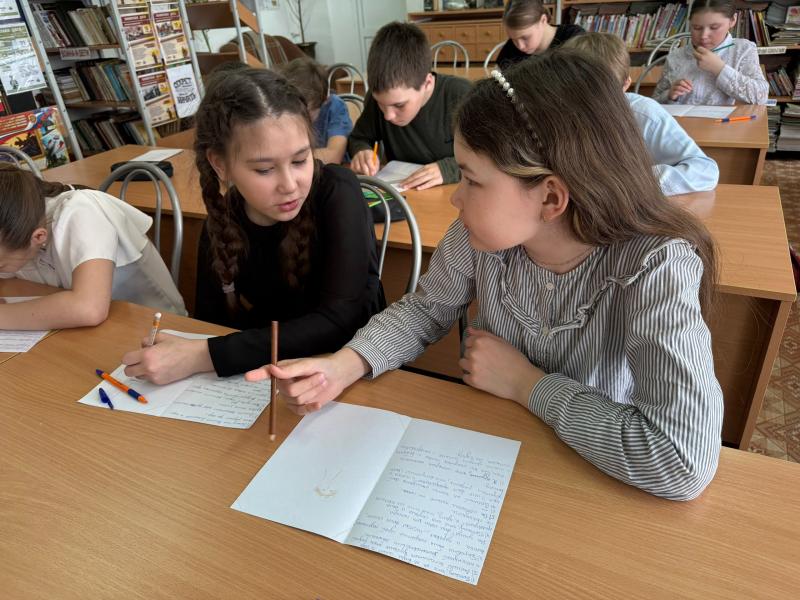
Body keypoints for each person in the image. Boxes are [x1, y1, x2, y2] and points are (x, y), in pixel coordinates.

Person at [250, 50, 724, 501]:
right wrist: (344, 365)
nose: (457, 197)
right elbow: (425, 310)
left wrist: (527, 385)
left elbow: (680, 460)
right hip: (488, 452)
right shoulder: (478, 234)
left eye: (472, 180)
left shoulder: (655, 266)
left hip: (588, 472)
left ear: (551, 198)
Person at [121, 67, 384, 384]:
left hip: (346, 378)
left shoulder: (337, 192)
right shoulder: (221, 222)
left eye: (300, 161)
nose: (290, 185)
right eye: (264, 170)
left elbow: (340, 322)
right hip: (255, 381)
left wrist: (204, 355)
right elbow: (211, 325)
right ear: (220, 164)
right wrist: (192, 353)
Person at [0, 164, 185, 330]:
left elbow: (88, 308)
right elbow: (8, 284)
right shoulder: (15, 224)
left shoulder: (80, 212)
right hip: (93, 329)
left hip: (155, 326)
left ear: (38, 237)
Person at [563, 32, 719, 195]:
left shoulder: (644, 114)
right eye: (576, 92)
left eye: (600, 94)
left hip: (627, 200)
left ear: (625, 85)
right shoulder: (558, 111)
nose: (587, 103)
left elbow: (705, 170)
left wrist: (635, 183)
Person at [347, 21, 472, 191]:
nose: (388, 115)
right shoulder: (378, 100)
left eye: (399, 105)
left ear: (427, 83)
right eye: (380, 104)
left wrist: (448, 169)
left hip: (454, 193)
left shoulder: (461, 96)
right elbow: (359, 137)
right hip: (405, 195)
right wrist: (361, 151)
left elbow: (489, 157)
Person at [652, 0, 768, 105]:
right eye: (697, 28)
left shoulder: (743, 49)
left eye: (714, 27)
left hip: (727, 122)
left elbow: (761, 97)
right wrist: (669, 95)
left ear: (733, 20)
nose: (704, 36)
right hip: (681, 121)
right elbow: (654, 103)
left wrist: (720, 68)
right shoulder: (676, 56)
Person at [280, 57, 353, 165]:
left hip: (333, 170)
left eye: (305, 113)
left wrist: (287, 157)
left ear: (324, 101)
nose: (297, 118)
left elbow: (334, 156)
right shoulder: (281, 108)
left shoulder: (335, 107)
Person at [495, 0, 584, 70]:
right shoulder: (510, 50)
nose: (520, 46)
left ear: (543, 20)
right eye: (513, 39)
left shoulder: (574, 38)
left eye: (525, 38)